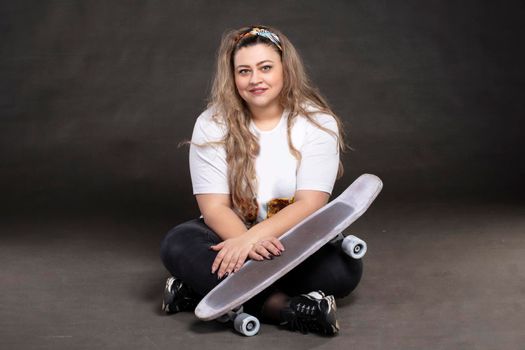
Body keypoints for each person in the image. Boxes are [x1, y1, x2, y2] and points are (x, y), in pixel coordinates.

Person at [160, 25, 363, 336]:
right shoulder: (212, 123)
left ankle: (200, 290)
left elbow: (311, 203)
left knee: (340, 272)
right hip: (230, 233)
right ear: (233, 78)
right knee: (178, 243)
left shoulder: (318, 122)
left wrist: (254, 241)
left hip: (293, 239)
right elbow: (214, 207)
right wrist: (245, 242)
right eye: (244, 71)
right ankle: (285, 309)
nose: (255, 79)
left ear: (285, 69)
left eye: (265, 67)